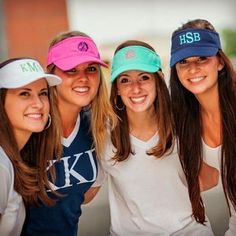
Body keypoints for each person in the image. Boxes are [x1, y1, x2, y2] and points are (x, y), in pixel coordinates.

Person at [101, 40, 213, 235]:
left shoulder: (184, 122)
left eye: (144, 77)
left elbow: (211, 178)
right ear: (116, 88)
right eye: (125, 80)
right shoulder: (102, 133)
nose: (136, 88)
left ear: (158, 79)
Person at [22, 31, 117, 236]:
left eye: (91, 69)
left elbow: (87, 192)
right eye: (71, 70)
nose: (83, 78)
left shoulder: (97, 126)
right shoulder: (29, 127)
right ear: (52, 74)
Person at [169, 19, 236, 236]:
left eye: (202, 58)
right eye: (183, 62)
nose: (193, 68)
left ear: (220, 62)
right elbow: (207, 179)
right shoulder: (187, 121)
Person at [0, 57, 62, 236]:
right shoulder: (1, 164)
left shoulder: (16, 156)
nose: (39, 104)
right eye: (24, 93)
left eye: (42, 93)